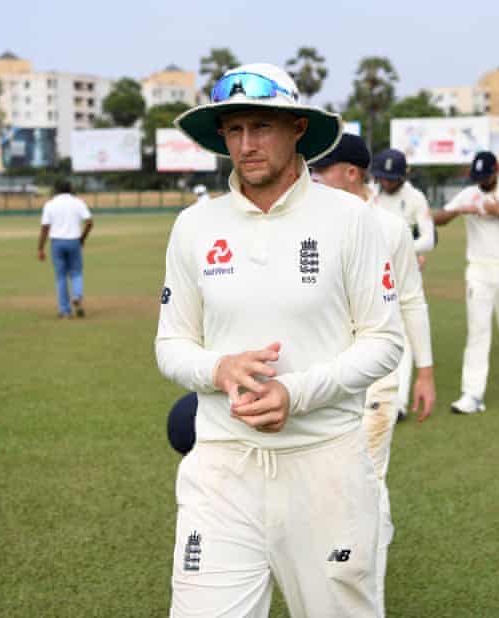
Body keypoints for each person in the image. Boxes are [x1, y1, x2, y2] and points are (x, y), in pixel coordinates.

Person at [156, 63, 403, 618]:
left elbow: (385, 342)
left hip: (326, 464)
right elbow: (170, 345)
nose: (247, 144)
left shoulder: (351, 220)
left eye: (261, 127)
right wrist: (218, 368)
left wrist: (298, 392)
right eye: (235, 130)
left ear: (297, 129)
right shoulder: (194, 226)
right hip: (221, 464)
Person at [310, 133, 435, 617]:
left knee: (365, 481)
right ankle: (336, 580)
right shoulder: (311, 221)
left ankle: (366, 600)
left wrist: (424, 371)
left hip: (378, 377)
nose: (315, 178)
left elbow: (410, 299)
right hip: (320, 377)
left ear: (352, 174)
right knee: (333, 484)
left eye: (324, 170)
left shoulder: (389, 227)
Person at [433, 151, 499, 412]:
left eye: (486, 176)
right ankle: (472, 393)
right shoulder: (469, 193)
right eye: (478, 178)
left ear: (497, 170)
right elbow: (436, 219)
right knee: (477, 331)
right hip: (479, 270)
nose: (482, 182)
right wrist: (459, 210)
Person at [370, 148, 435, 418]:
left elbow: (429, 240)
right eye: (383, 177)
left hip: (403, 273)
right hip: (373, 273)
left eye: (391, 178)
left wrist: (402, 249)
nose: (386, 182)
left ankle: (397, 403)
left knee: (405, 336)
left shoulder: (415, 198)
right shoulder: (371, 194)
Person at [37, 179, 93, 318]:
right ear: (71, 188)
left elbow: (45, 228)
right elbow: (89, 222)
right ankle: (77, 296)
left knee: (61, 277)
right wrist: (82, 238)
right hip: (74, 241)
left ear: (56, 189)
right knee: (76, 273)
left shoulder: (50, 204)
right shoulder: (78, 202)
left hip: (57, 242)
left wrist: (40, 248)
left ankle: (65, 310)